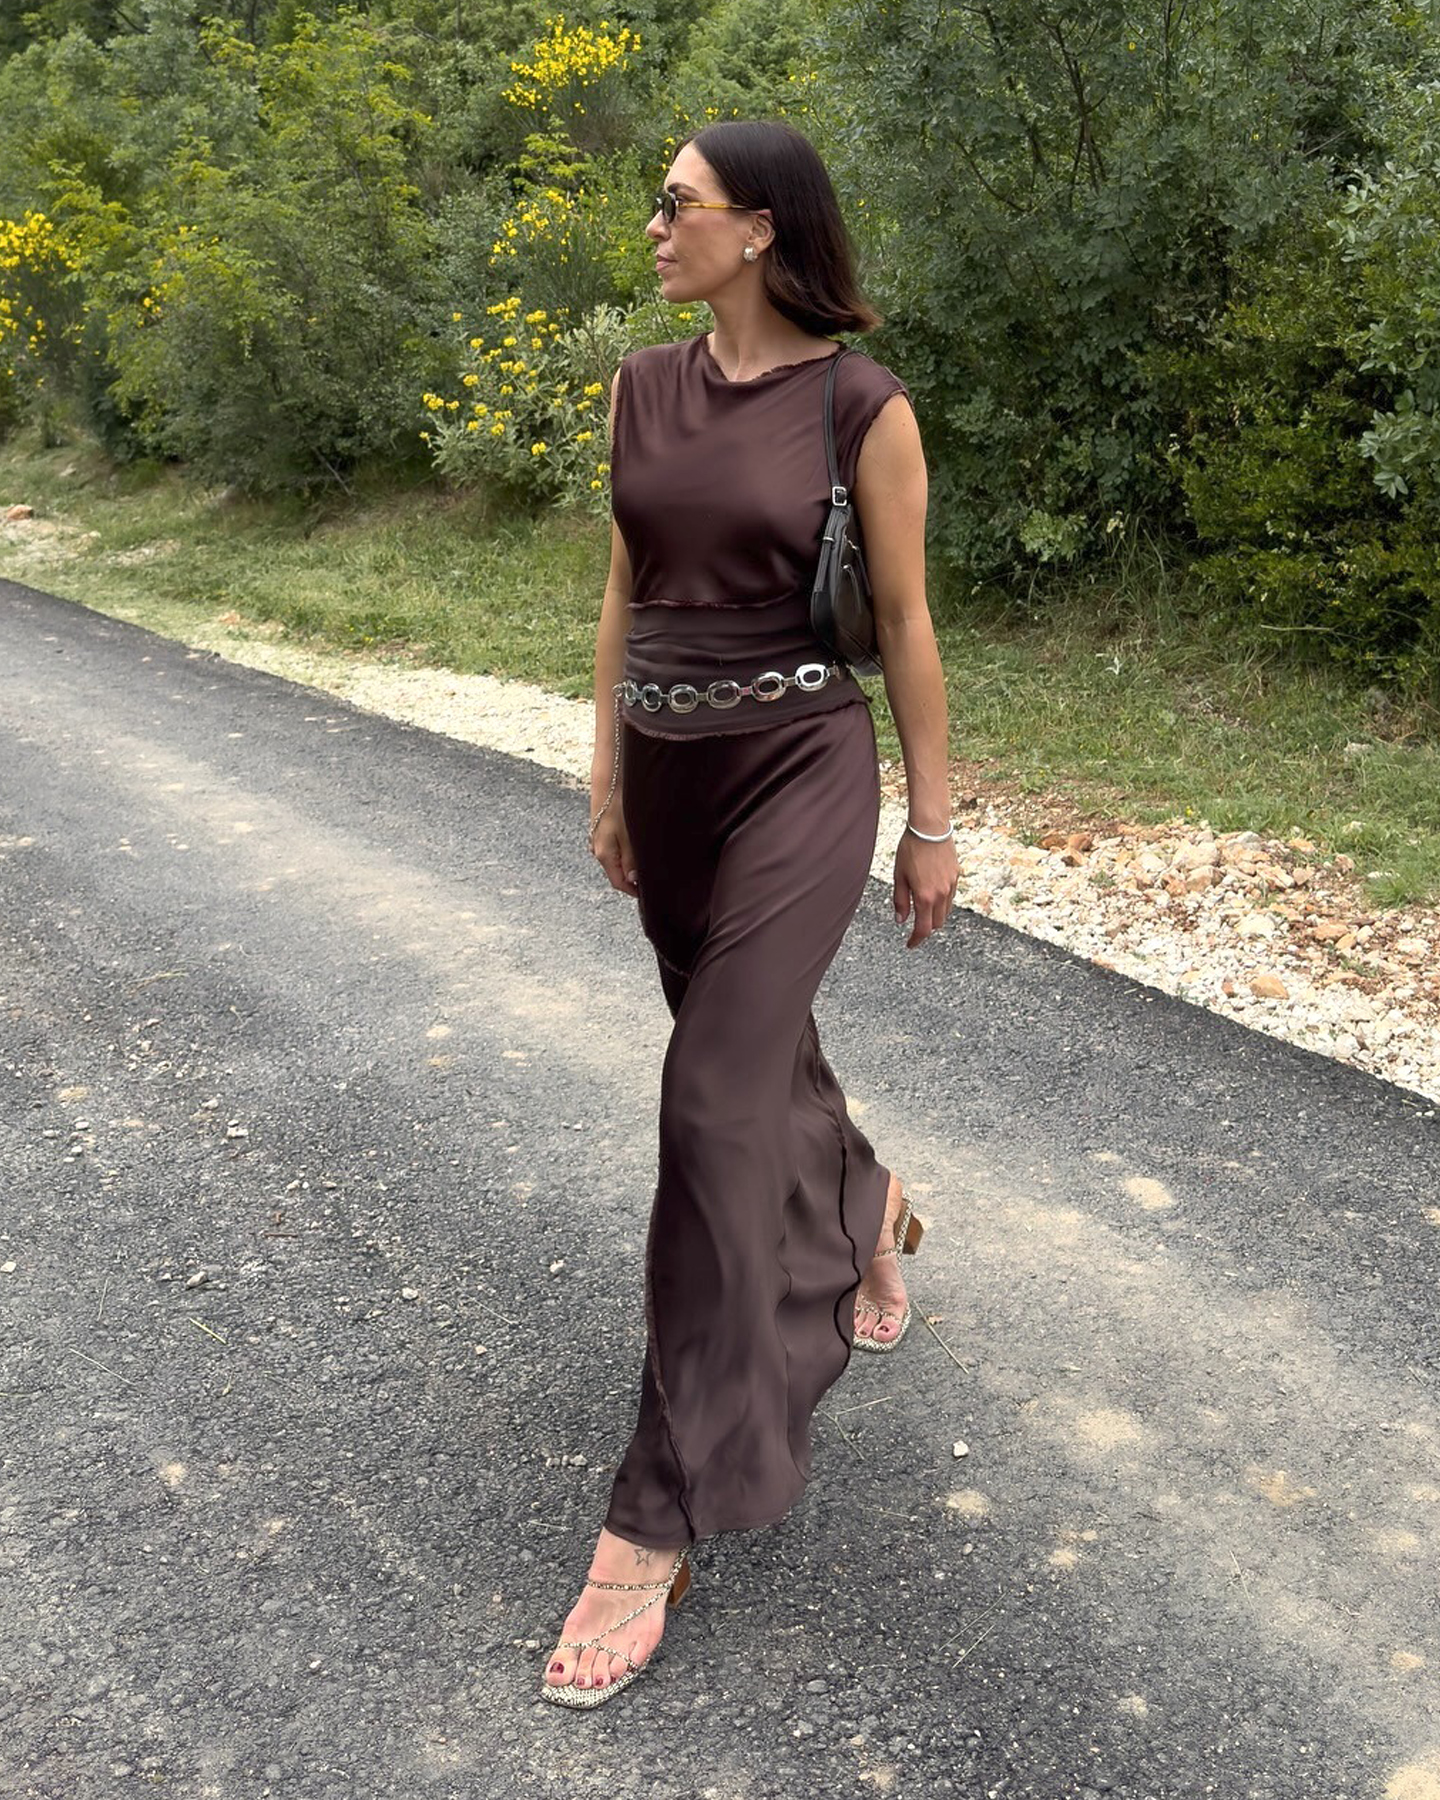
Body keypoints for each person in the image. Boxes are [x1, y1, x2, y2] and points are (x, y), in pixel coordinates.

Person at [541, 118, 958, 1708]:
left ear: (762, 229)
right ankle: (867, 1201)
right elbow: (625, 588)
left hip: (798, 768)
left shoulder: (863, 403)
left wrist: (932, 822)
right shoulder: (640, 387)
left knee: (712, 1092)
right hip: (668, 768)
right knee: (753, 1067)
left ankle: (653, 1511)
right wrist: (602, 774)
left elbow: (908, 622)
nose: (654, 224)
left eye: (678, 203)